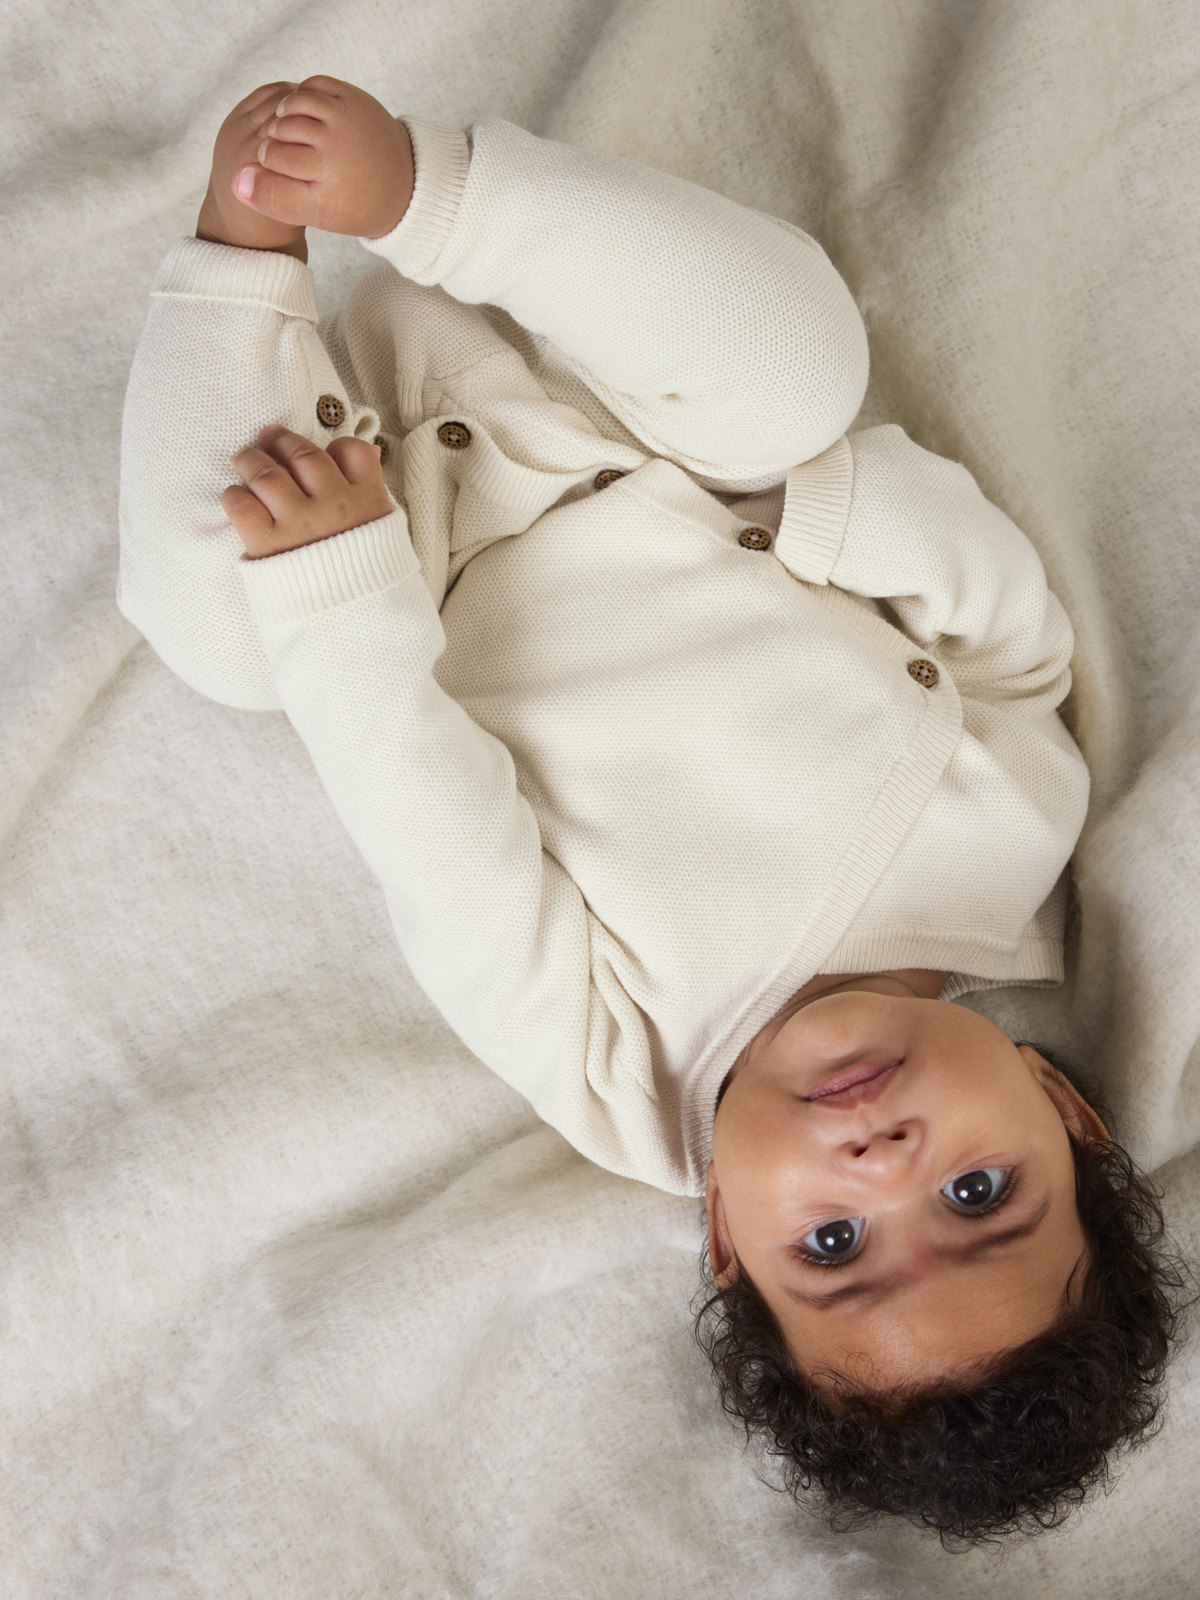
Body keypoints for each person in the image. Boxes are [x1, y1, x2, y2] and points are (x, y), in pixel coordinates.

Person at [117, 75, 1192, 1546]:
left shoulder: (625, 1082)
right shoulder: (1008, 844)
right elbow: (1011, 648)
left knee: (226, 636)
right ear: (1063, 1111)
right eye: (979, 1193)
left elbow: (443, 846)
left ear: (728, 1240)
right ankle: (425, 187)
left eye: (835, 1244)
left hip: (385, 502)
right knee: (796, 365)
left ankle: (243, 252)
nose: (887, 1167)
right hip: (639, 415)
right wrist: (818, 510)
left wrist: (339, 583)